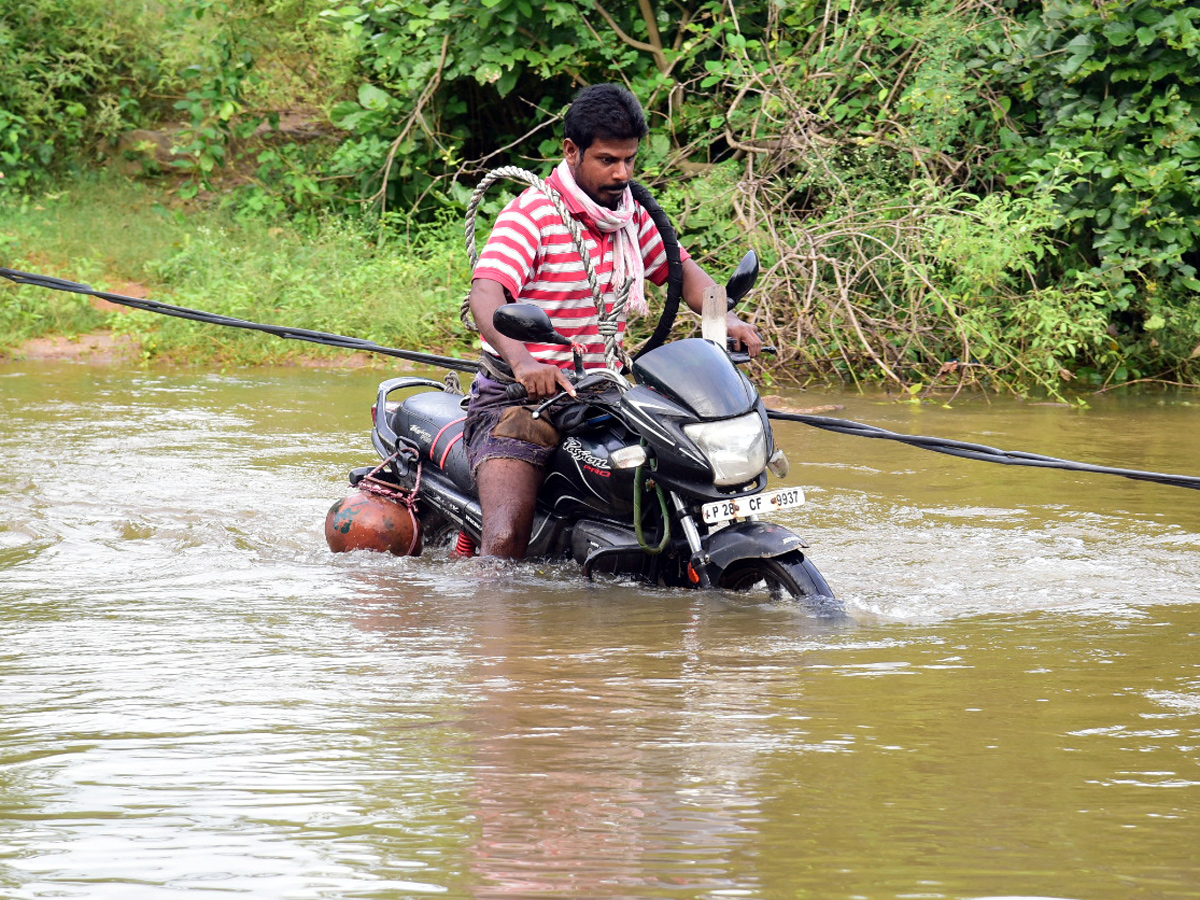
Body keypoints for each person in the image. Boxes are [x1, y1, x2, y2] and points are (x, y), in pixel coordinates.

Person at [464, 83, 762, 559]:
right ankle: (500, 617)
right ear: (571, 150)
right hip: (519, 399)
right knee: (505, 546)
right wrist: (523, 363)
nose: (622, 173)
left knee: (685, 472)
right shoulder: (531, 215)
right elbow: (486, 294)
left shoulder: (630, 216)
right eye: (607, 160)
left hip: (605, 390)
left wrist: (725, 317)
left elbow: (681, 274)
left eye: (629, 160)